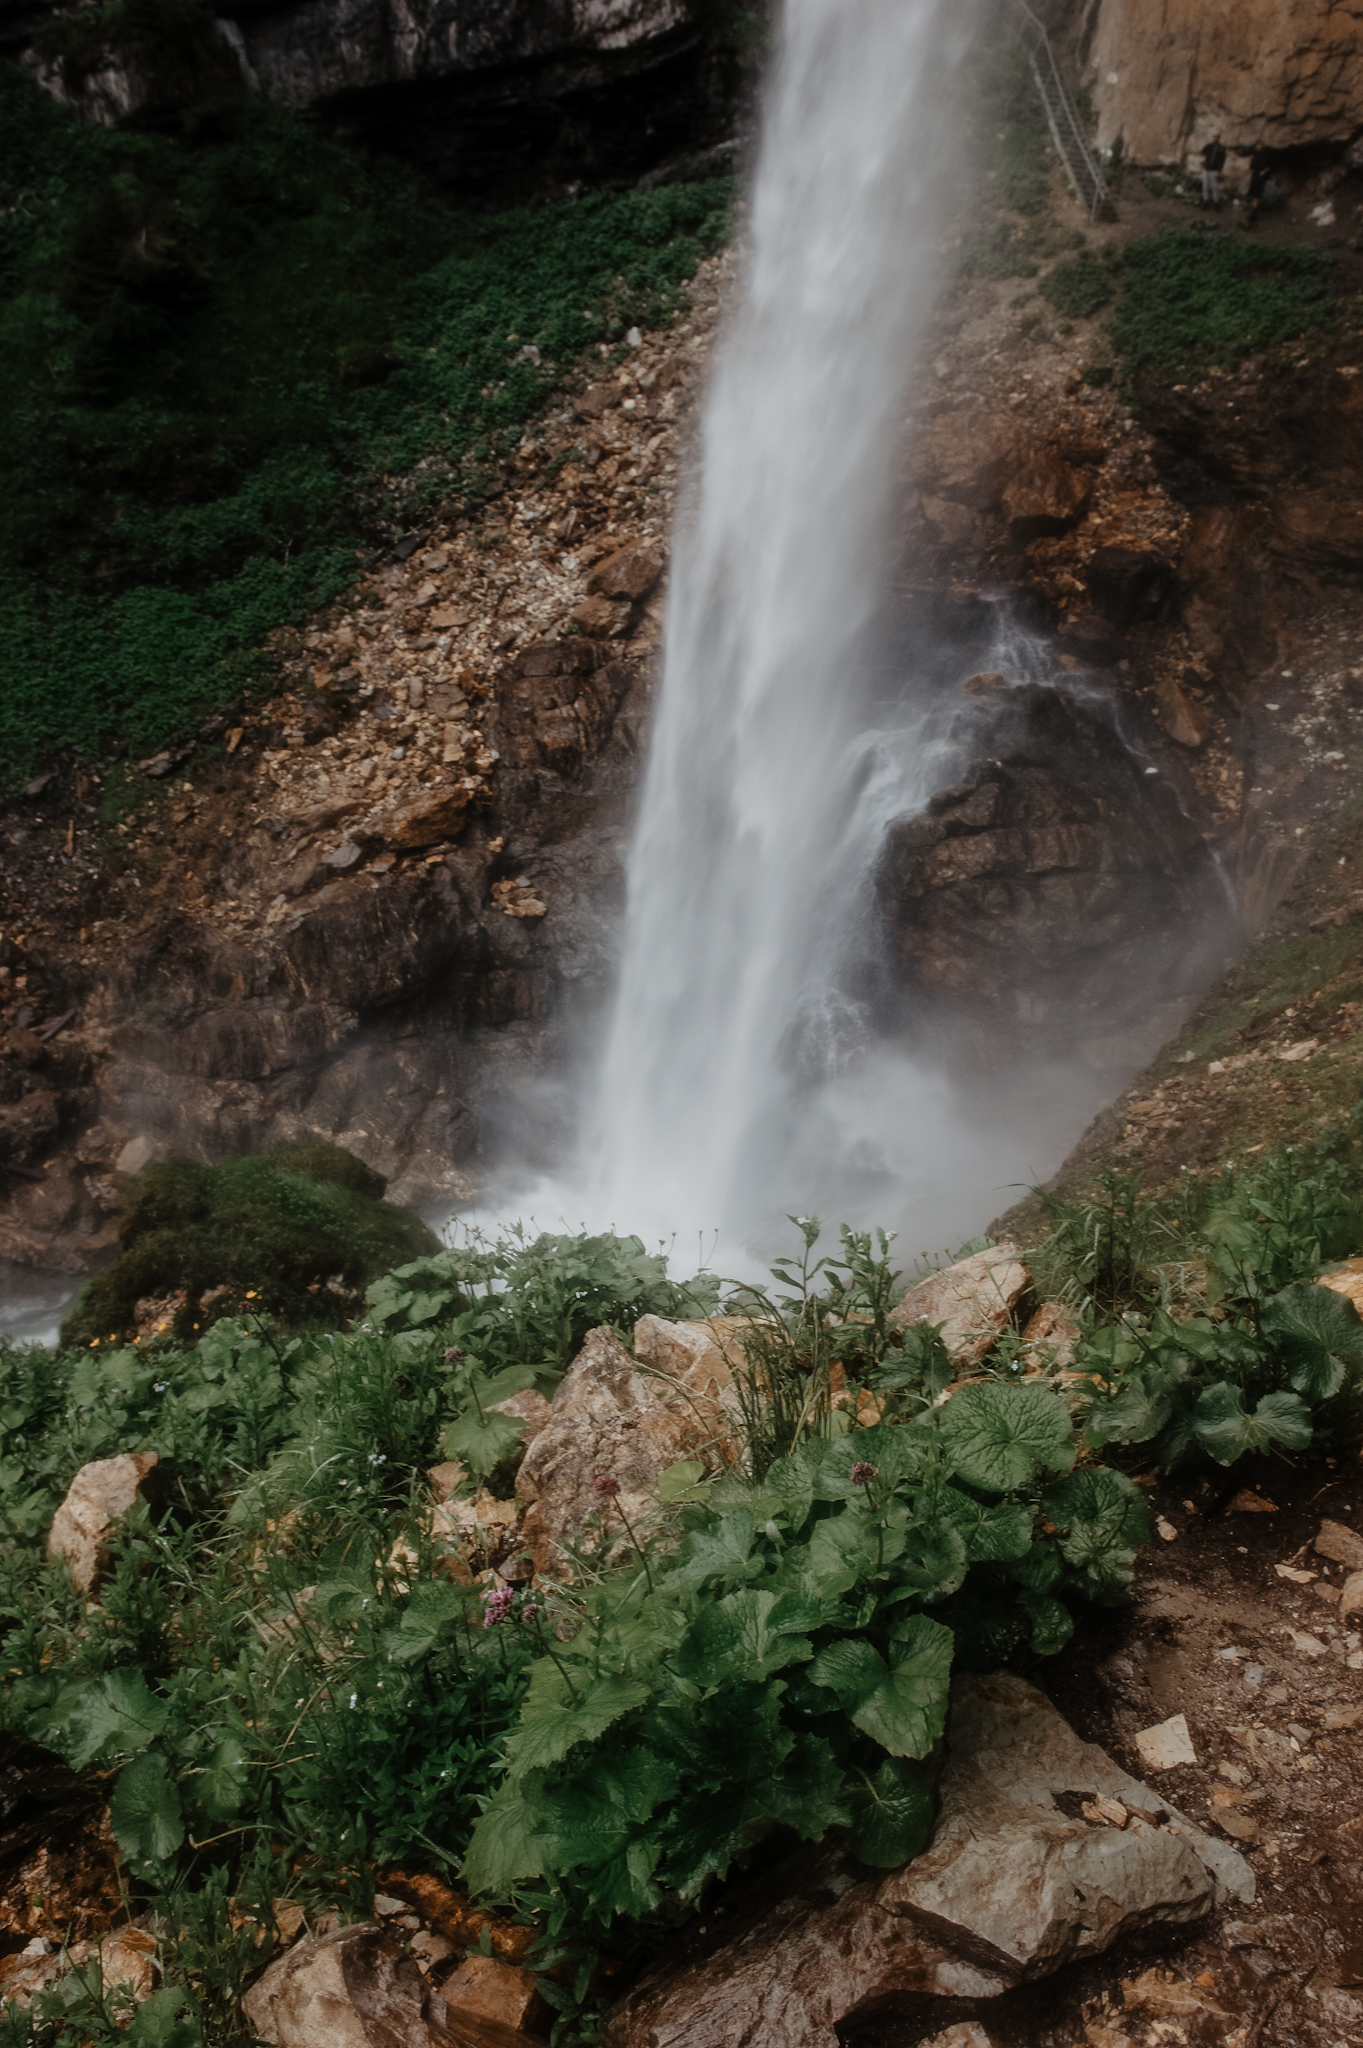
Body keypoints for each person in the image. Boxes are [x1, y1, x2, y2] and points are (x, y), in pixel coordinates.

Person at [1246, 141, 1272, 222]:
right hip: (1255, 176)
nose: (1258, 147)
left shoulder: (1266, 155)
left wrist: (1263, 172)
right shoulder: (1255, 155)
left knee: (1257, 195)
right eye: (1257, 146)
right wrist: (1250, 160)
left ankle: (1254, 214)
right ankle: (1254, 213)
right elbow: (1250, 167)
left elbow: (1269, 166)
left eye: (1260, 146)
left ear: (1262, 147)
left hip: (1262, 177)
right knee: (1254, 195)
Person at [1200, 133, 1226, 209]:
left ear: (1219, 138)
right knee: (1205, 186)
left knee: (1214, 187)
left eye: (1217, 137)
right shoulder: (1209, 146)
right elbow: (1202, 152)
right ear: (1212, 138)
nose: (1215, 139)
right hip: (1206, 169)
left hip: (1214, 170)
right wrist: (1204, 161)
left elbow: (1222, 160)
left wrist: (1219, 171)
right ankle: (1205, 202)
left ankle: (1216, 203)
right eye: (1214, 137)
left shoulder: (1221, 148)